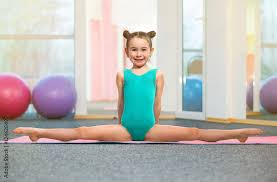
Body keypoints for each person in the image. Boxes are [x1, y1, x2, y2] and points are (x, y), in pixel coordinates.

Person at [13, 30, 263, 143]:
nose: (139, 53)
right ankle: (38, 132)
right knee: (81, 133)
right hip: (124, 129)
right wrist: (119, 122)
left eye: (143, 49)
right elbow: (121, 102)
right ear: (127, 51)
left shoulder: (158, 74)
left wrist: (154, 124)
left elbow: (157, 103)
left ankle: (236, 134)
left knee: (196, 134)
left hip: (151, 129)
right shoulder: (122, 74)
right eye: (134, 49)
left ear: (150, 51)